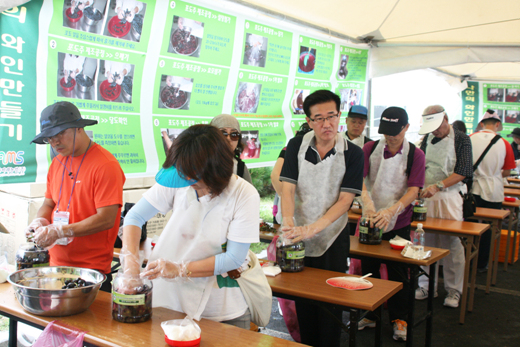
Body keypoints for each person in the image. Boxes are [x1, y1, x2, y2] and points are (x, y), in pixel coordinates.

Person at [120, 124, 260, 328]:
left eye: (193, 176)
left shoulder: (243, 194)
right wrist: (131, 266)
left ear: (215, 169)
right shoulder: (180, 175)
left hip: (220, 309)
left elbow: (233, 258)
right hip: (170, 302)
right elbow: (134, 217)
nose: (186, 180)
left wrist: (180, 269)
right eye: (182, 173)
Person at [279, 90, 364, 347]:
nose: (326, 124)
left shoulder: (353, 153)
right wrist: (287, 221)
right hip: (299, 235)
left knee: (330, 302)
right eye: (318, 118)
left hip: (332, 237)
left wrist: (314, 228)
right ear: (308, 120)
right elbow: (288, 188)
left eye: (331, 116)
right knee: (303, 298)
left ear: (340, 115)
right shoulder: (297, 145)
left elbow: (345, 200)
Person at [25, 101, 125, 292]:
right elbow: (49, 202)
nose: (54, 142)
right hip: (56, 265)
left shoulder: (105, 165)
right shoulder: (57, 163)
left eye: (59, 134)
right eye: (49, 138)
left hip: (90, 271)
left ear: (79, 128)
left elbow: (105, 219)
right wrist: (39, 221)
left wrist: (61, 231)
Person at [360, 107, 425, 342]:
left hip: (399, 221)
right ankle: (371, 313)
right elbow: (360, 179)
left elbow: (413, 190)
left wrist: (393, 210)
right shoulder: (370, 148)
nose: (390, 137)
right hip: (371, 219)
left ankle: (400, 318)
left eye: (395, 133)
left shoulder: (415, 154)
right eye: (386, 133)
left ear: (406, 128)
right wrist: (366, 202)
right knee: (369, 269)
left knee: (399, 273)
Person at [415, 105, 473, 308]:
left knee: (451, 243)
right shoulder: (427, 140)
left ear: (446, 119)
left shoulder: (462, 139)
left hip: (450, 197)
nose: (435, 132)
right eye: (431, 128)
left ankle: (454, 289)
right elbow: (420, 164)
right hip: (427, 197)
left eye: (437, 127)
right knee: (426, 240)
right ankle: (426, 285)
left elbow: (464, 170)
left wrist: (438, 185)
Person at [470, 109, 516, 271]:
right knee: (489, 228)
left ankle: (467, 261)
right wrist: (494, 173)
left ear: (481, 124)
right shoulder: (504, 143)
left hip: (472, 189)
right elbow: (507, 171)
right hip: (493, 190)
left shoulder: (470, 139)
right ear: (497, 124)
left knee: (469, 226)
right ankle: (482, 263)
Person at [210, 114, 253, 184]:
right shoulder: (200, 163)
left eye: (234, 134)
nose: (228, 139)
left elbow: (251, 194)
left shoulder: (240, 167)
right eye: (223, 133)